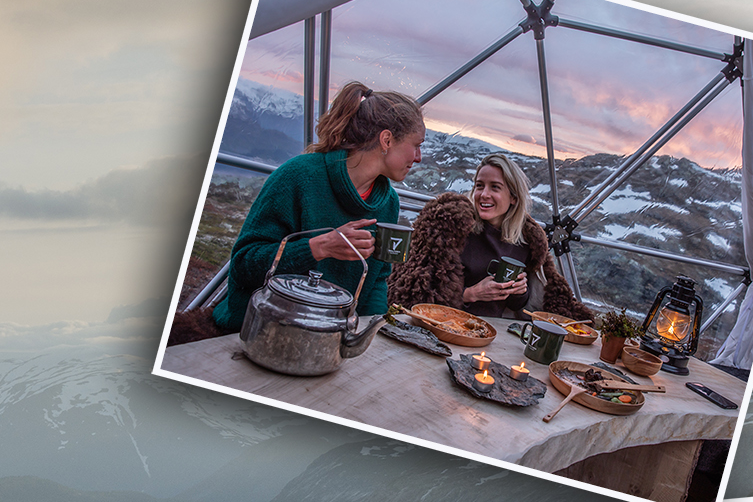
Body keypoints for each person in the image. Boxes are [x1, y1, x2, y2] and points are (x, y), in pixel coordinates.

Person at [212, 82, 425, 333]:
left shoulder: (388, 202)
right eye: (416, 145)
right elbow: (243, 265)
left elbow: (376, 281)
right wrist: (319, 247)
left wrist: (373, 332)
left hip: (326, 338)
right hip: (258, 329)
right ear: (386, 140)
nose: (419, 157)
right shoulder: (298, 177)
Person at [389, 154, 593, 322]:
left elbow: (518, 306)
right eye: (480, 186)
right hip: (445, 325)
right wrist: (471, 294)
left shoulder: (525, 242)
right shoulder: (453, 228)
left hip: (493, 333)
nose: (484, 194)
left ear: (513, 198)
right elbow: (415, 295)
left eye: (495, 187)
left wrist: (520, 292)